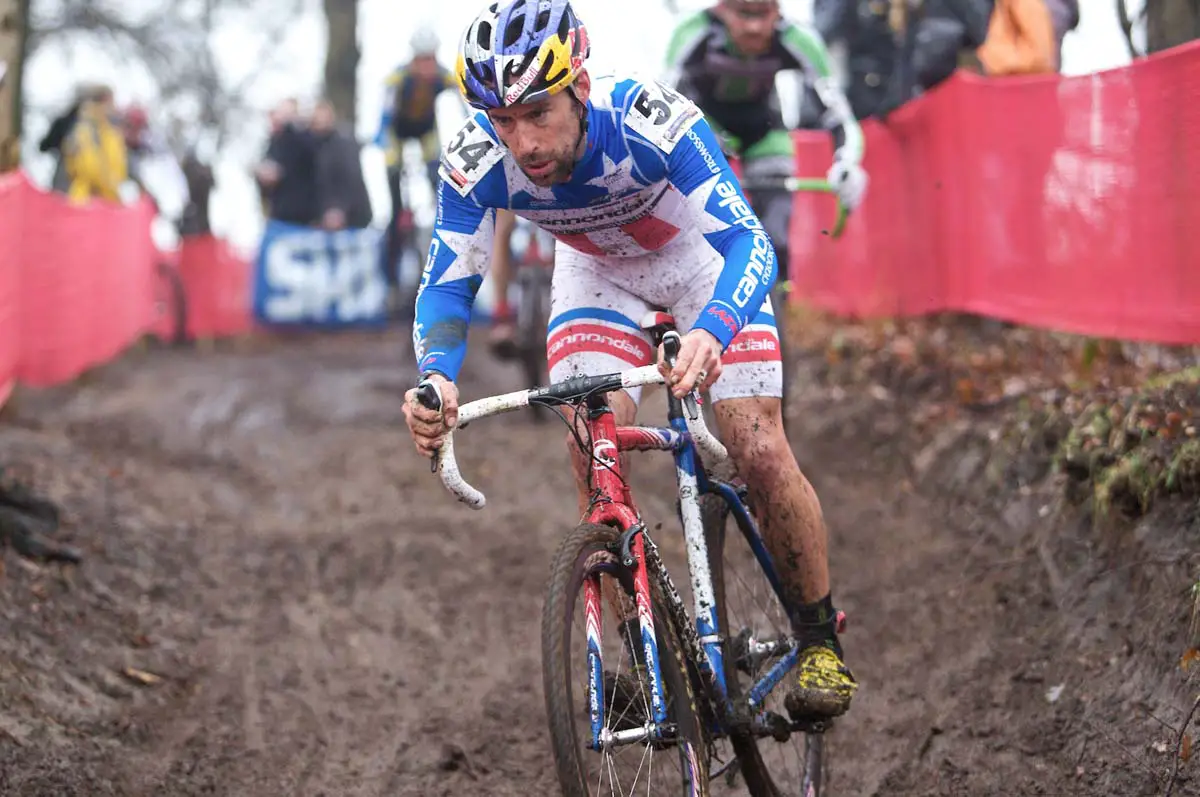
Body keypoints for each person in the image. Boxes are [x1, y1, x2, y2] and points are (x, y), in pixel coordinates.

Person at [403, 0, 861, 720]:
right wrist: (434, 377)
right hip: (599, 278)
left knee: (754, 441)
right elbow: (447, 283)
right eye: (501, 120)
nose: (521, 143)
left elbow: (749, 241)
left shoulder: (649, 119)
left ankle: (817, 639)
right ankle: (655, 662)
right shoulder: (476, 160)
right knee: (592, 449)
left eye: (537, 113)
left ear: (579, 87)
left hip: (702, 265)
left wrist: (712, 329)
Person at [664, 0, 867, 299]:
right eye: (743, 14)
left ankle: (779, 291)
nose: (754, 27)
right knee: (701, 225)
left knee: (776, 231)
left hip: (765, 129)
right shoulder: (693, 32)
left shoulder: (797, 38)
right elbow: (665, 105)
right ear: (721, 9)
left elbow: (839, 114)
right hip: (708, 128)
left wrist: (848, 162)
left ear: (778, 11)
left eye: (763, 14)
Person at [375, 27, 459, 303]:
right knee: (395, 203)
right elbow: (385, 109)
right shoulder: (399, 77)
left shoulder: (443, 75)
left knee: (438, 178)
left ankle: (439, 227)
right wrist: (380, 136)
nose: (427, 67)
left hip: (425, 133)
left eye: (431, 60)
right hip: (397, 134)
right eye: (422, 61)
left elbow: (464, 97)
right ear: (413, 59)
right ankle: (390, 280)